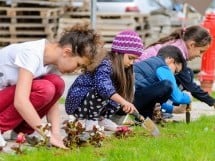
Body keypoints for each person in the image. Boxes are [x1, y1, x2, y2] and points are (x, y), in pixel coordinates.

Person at [0, 23, 106, 148]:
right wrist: (46, 134)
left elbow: (52, 102)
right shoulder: (31, 54)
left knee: (57, 83)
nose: (76, 71)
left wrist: (55, 134)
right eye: (78, 65)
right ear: (67, 52)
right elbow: (21, 101)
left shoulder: (52, 63)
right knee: (44, 88)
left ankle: (23, 131)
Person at [65, 30, 144, 131]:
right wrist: (124, 102)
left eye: (134, 60)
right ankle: (91, 121)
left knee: (117, 93)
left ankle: (102, 119)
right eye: (130, 58)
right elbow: (103, 86)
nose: (132, 62)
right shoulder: (105, 63)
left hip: (91, 104)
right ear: (117, 52)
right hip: (78, 103)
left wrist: (125, 101)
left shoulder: (121, 68)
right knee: (104, 91)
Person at [136, 25, 214, 114]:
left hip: (140, 79)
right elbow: (191, 87)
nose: (200, 56)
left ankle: (162, 109)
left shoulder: (177, 45)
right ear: (192, 44)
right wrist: (211, 102)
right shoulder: (176, 55)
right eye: (201, 51)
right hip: (137, 87)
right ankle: (163, 110)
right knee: (169, 85)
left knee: (188, 74)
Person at [133, 45, 191, 118]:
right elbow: (177, 97)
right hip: (131, 99)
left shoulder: (151, 65)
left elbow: (150, 99)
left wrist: (175, 110)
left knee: (162, 89)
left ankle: (145, 119)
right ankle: (145, 117)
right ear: (171, 60)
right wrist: (188, 98)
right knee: (167, 85)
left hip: (127, 99)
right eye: (175, 71)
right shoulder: (162, 66)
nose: (173, 74)